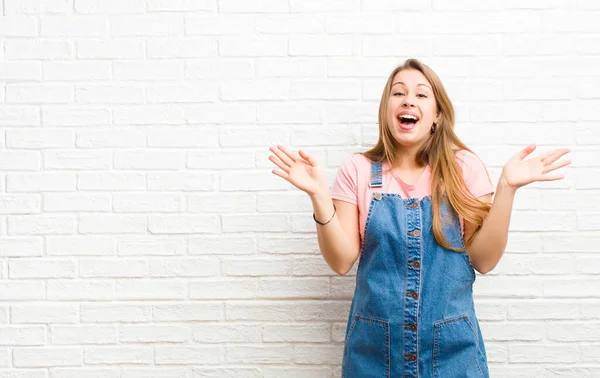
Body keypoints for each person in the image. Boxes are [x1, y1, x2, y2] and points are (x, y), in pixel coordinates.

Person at [268, 58, 571, 377]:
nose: (408, 99)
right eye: (398, 93)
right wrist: (318, 196)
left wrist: (507, 188)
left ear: (437, 115)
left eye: (421, 94)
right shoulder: (357, 170)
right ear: (387, 110)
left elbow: (483, 260)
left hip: (452, 355)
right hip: (374, 355)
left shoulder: (464, 169)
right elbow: (341, 261)